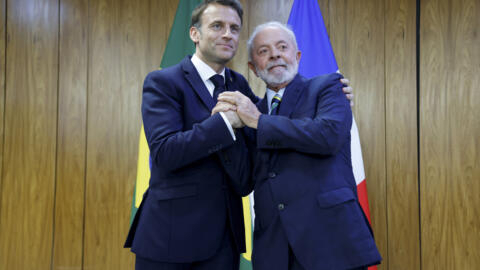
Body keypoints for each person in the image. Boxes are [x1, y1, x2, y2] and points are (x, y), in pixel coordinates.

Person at [125, 0, 354, 268]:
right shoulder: (163, 81)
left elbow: (272, 118)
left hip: (225, 240)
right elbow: (164, 152)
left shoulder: (239, 85)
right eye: (217, 26)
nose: (227, 34)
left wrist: (335, 99)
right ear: (194, 34)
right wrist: (223, 124)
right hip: (169, 237)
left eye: (234, 28)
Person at [215, 22, 382, 270]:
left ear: (297, 55)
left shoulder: (329, 87)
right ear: (253, 68)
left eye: (282, 47)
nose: (274, 54)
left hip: (330, 241)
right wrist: (224, 130)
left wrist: (259, 122)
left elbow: (328, 136)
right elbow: (243, 182)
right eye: (263, 51)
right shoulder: (251, 112)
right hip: (274, 249)